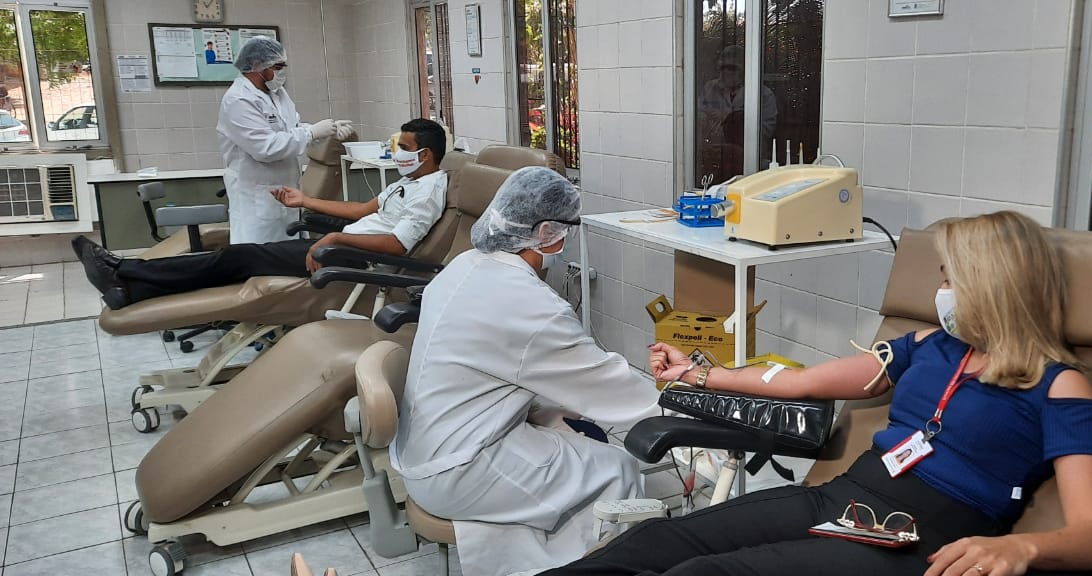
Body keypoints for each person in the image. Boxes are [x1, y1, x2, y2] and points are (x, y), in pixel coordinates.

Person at [541, 211, 1092, 576]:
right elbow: (799, 383)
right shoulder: (933, 345)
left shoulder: (1060, 387)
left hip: (920, 540)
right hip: (841, 500)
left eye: (951, 278)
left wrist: (1024, 550)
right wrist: (697, 373)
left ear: (994, 286)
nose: (941, 291)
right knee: (657, 542)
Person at [390, 167, 661, 576]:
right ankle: (603, 567)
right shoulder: (531, 306)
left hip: (424, 450)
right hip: (460, 468)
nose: (566, 243)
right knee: (616, 467)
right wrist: (701, 403)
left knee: (571, 433)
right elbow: (613, 391)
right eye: (567, 232)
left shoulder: (463, 267)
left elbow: (497, 370)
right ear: (548, 232)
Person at [73, 119, 449, 310]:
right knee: (237, 261)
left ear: (426, 154)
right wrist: (305, 201)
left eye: (404, 147)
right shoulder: (409, 181)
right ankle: (131, 288)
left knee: (240, 256)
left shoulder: (430, 191)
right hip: (345, 246)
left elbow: (398, 245)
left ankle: (123, 270)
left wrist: (333, 239)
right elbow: (362, 210)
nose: (396, 151)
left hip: (357, 258)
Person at [218, 35, 354, 244]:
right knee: (260, 259)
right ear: (256, 65)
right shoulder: (238, 99)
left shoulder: (278, 93)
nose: (282, 71)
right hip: (257, 197)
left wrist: (327, 131)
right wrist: (311, 133)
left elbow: (291, 129)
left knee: (286, 255)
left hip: (286, 191)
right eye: (278, 66)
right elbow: (265, 148)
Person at [698, 44, 778, 181]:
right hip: (716, 159)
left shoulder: (763, 94)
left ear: (743, 70)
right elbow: (696, 118)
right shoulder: (710, 88)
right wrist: (706, 118)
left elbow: (765, 131)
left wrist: (732, 120)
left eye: (732, 68)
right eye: (723, 68)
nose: (726, 72)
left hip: (748, 161)